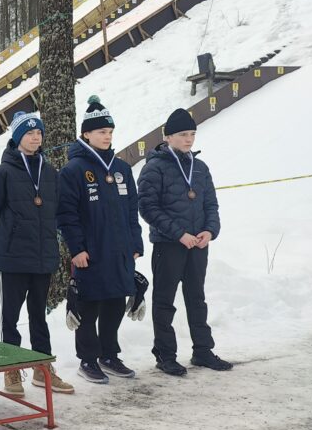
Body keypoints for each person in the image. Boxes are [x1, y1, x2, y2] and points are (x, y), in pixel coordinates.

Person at [0, 111, 74, 395]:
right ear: (17, 137)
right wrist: (7, 239)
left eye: (39, 133)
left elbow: (56, 211)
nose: (36, 138)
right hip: (14, 256)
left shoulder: (50, 173)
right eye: (29, 133)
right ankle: (11, 368)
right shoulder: (2, 173)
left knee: (38, 315)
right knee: (10, 315)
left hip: (42, 255)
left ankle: (42, 367)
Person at [138, 108, 233, 375]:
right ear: (167, 137)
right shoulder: (154, 167)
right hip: (169, 245)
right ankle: (165, 355)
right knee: (164, 301)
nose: (189, 139)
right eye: (182, 134)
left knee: (196, 298)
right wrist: (179, 234)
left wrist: (210, 231)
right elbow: (148, 208)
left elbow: (211, 205)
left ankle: (202, 351)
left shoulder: (200, 168)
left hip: (198, 245)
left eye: (192, 134)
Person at [57, 95, 144, 384]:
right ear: (86, 134)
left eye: (110, 132)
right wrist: (77, 248)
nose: (107, 137)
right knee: (89, 306)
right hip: (91, 251)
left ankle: (109, 355)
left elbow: (131, 210)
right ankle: (88, 360)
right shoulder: (73, 170)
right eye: (101, 132)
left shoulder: (122, 169)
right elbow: (66, 214)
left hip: (119, 250)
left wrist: (135, 243)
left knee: (115, 304)